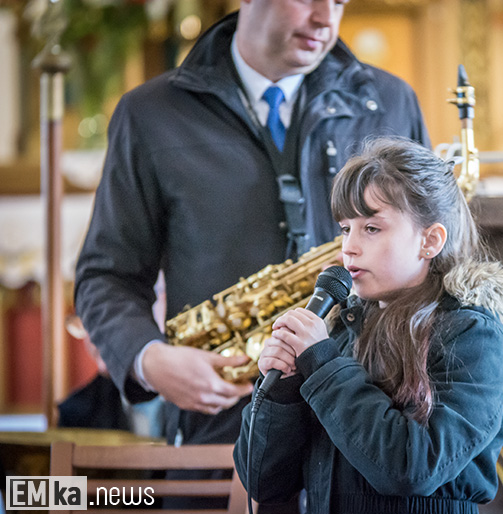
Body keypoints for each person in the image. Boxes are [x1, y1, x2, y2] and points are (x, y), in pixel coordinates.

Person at [74, 0, 429, 455]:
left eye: (339, 2)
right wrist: (150, 359)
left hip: (369, 429)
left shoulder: (391, 101)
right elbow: (107, 275)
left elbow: (435, 256)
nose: (326, 19)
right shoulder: (149, 114)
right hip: (223, 431)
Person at [234, 137, 503, 514]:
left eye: (371, 228)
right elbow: (265, 485)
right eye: (345, 229)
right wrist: (283, 390)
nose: (349, 248)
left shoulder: (470, 332)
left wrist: (323, 367)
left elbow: (413, 470)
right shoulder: (340, 329)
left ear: (430, 240)